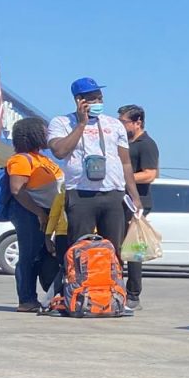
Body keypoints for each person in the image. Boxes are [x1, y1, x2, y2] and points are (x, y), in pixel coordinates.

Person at [46, 77, 143, 269]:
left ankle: (111, 293)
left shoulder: (114, 125)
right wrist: (81, 124)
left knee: (113, 251)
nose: (98, 102)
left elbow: (125, 163)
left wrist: (134, 196)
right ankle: (80, 292)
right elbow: (60, 151)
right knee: (80, 249)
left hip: (113, 194)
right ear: (79, 100)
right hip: (81, 194)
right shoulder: (62, 122)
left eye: (100, 98)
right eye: (92, 99)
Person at [4, 118, 66, 313]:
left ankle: (51, 296)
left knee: (45, 255)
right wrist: (39, 213)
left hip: (45, 212)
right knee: (29, 256)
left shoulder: (43, 159)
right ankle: (27, 300)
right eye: (43, 130)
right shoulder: (21, 159)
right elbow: (17, 190)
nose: (47, 133)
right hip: (29, 213)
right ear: (32, 134)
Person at [117, 105, 159, 310]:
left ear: (137, 122)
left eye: (123, 121)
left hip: (137, 203)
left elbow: (150, 174)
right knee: (116, 247)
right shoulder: (122, 143)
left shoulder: (146, 144)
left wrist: (124, 178)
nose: (120, 125)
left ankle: (133, 295)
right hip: (118, 201)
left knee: (133, 250)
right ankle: (115, 289)